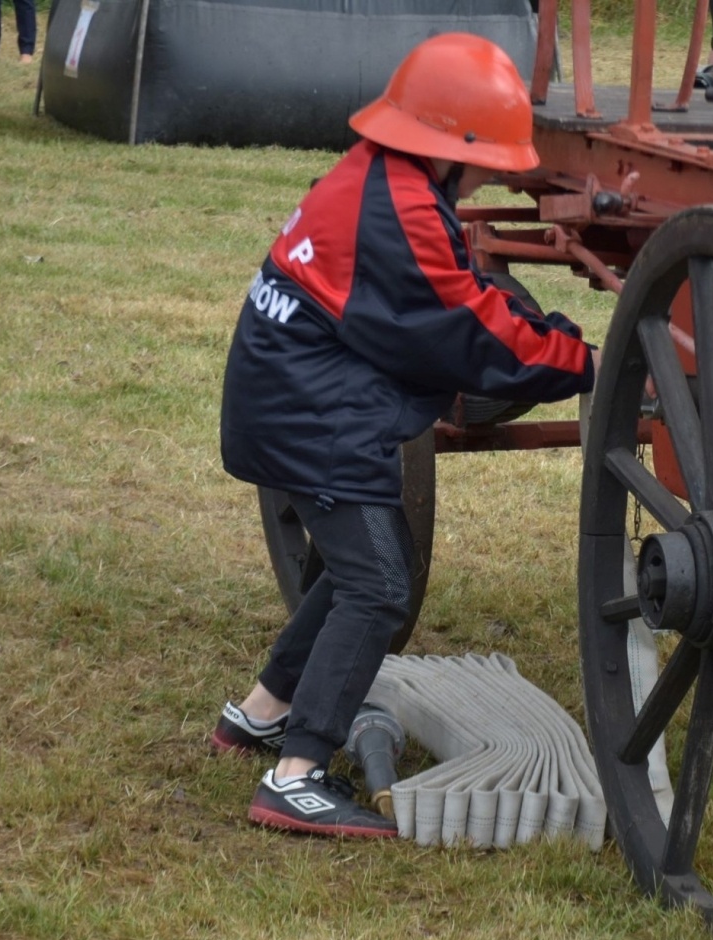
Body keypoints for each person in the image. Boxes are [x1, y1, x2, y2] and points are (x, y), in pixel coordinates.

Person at [212, 34, 596, 838]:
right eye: (486, 161)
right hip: (308, 411)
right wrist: (584, 358)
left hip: (292, 391)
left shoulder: (381, 177)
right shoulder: (404, 215)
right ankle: (297, 773)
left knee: (357, 566)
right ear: (449, 147)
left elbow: (455, 302)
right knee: (380, 586)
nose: (491, 176)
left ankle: (260, 713)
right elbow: (474, 334)